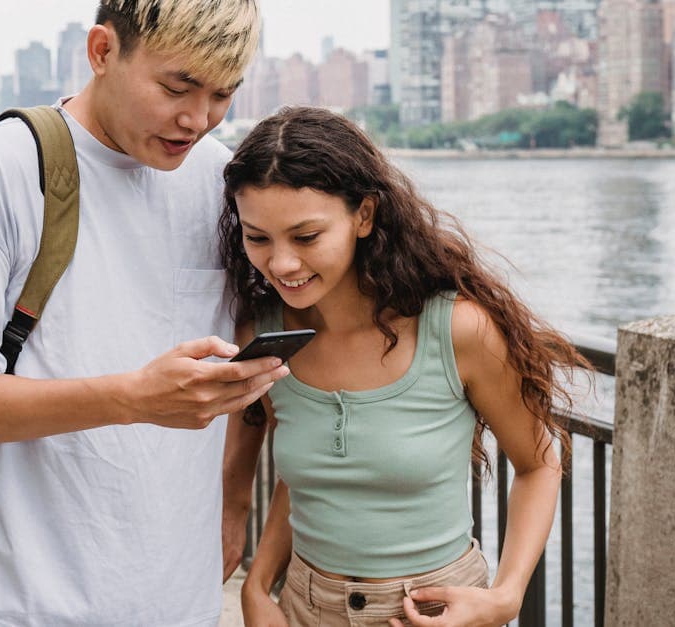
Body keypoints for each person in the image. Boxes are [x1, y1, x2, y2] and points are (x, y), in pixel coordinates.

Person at [0, 2, 279, 626]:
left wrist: (233, 508)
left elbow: (246, 361)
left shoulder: (220, 179)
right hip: (24, 600)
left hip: (182, 599)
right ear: (102, 52)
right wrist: (133, 398)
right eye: (176, 87)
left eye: (221, 95)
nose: (197, 119)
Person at [220, 107, 587, 627]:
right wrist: (259, 586)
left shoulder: (458, 330)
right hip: (302, 606)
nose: (281, 263)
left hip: (432, 611)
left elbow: (539, 462)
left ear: (364, 216)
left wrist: (506, 597)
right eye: (258, 238)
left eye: (305, 237)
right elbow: (305, 479)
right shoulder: (264, 336)